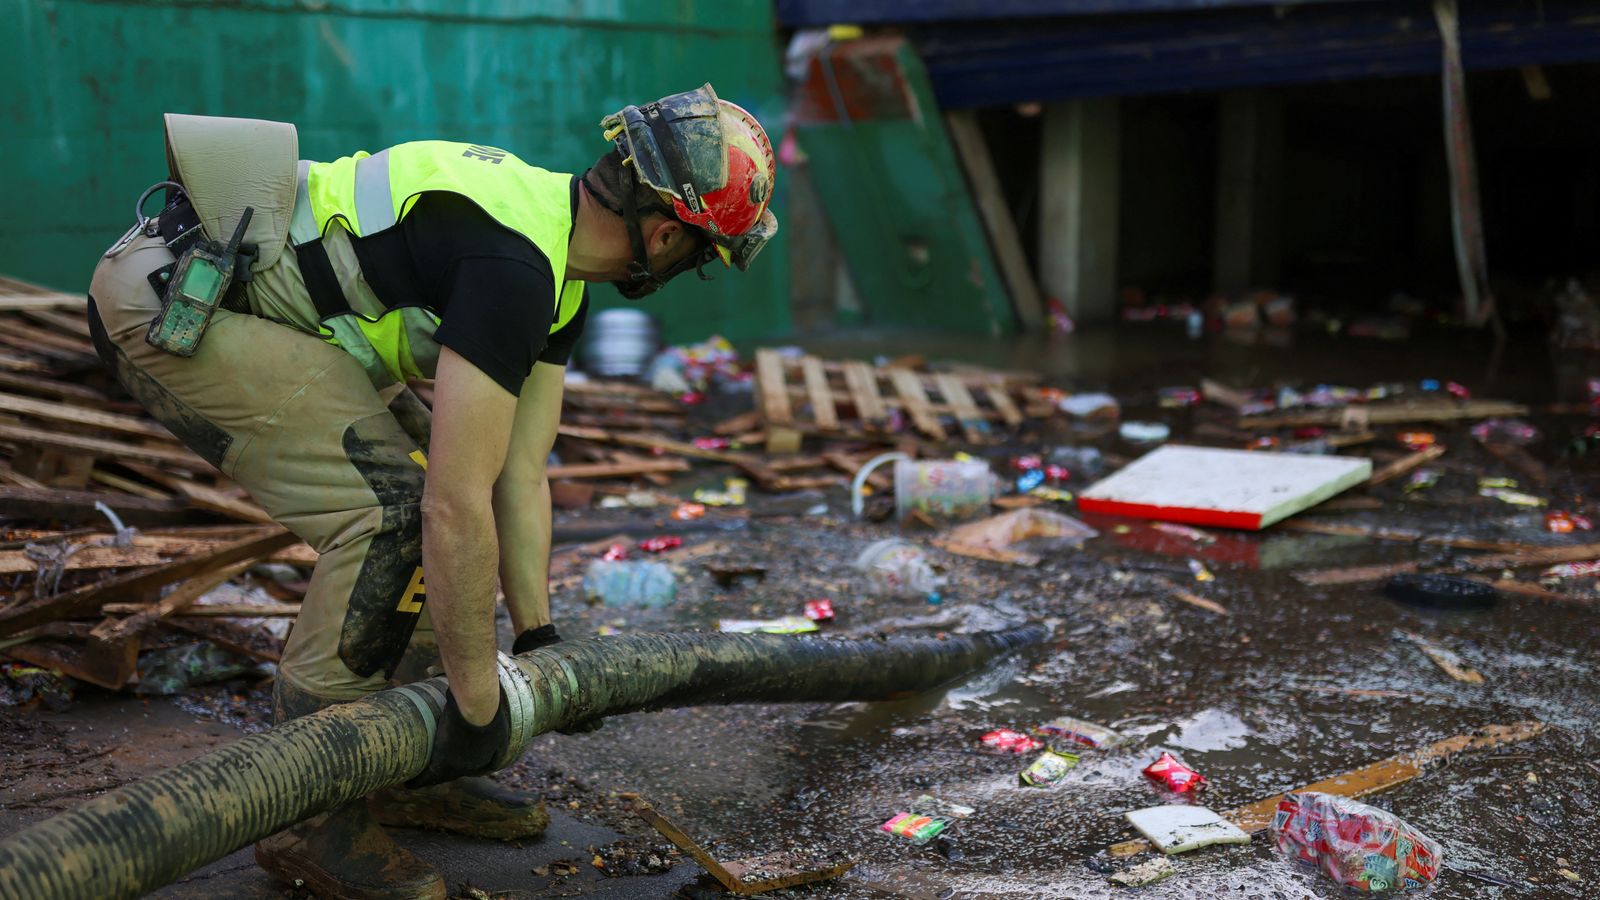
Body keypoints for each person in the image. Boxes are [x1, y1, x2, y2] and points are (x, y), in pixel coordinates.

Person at [85, 83, 776, 900]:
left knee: (422, 499)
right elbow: (454, 505)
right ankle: (311, 818)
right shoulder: (514, 263)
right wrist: (482, 710)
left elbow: (518, 474)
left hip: (256, 305)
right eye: (700, 256)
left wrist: (540, 632)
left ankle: (413, 770)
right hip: (177, 298)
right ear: (666, 235)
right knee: (391, 517)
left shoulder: (555, 271)